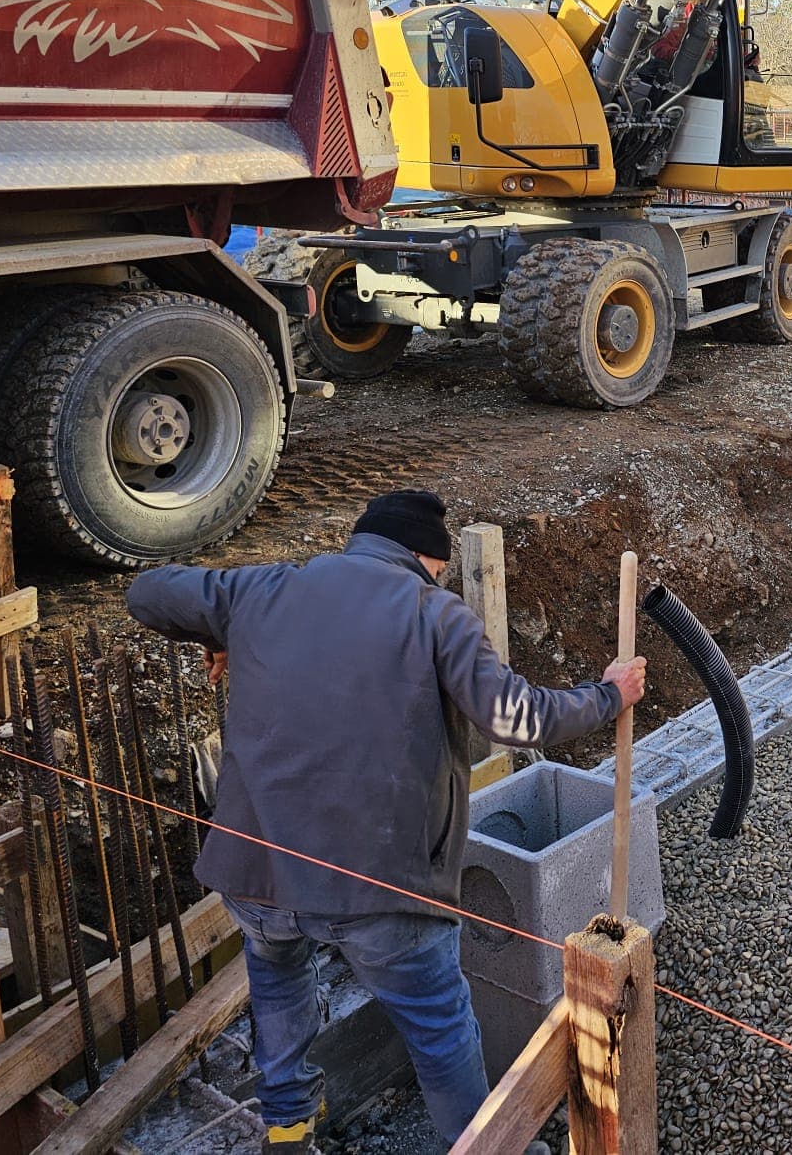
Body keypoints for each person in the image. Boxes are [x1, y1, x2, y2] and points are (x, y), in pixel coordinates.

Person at [126, 489, 644, 1149]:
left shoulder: (262, 589)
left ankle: (286, 1127)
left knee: (278, 978)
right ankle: (476, 1144)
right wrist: (610, 692)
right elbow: (518, 719)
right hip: (381, 889)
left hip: (256, 878)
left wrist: (224, 627)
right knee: (439, 1026)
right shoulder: (436, 614)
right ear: (428, 559)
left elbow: (147, 593)